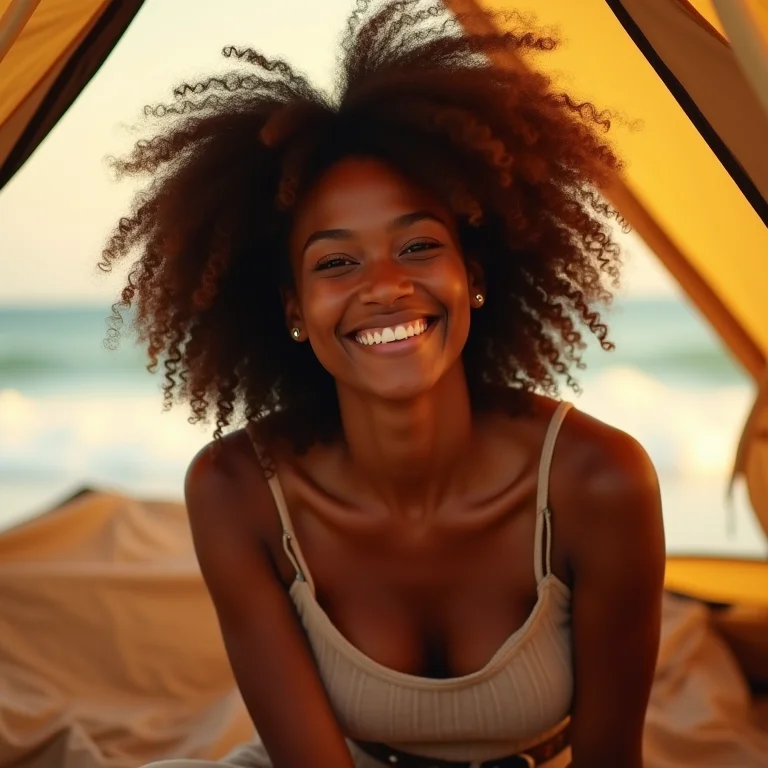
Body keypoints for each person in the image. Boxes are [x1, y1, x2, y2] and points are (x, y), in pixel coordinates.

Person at [100, 1, 665, 766]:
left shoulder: (599, 480)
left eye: (419, 244)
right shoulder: (237, 491)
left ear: (475, 276)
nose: (385, 287)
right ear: (294, 310)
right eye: (337, 262)